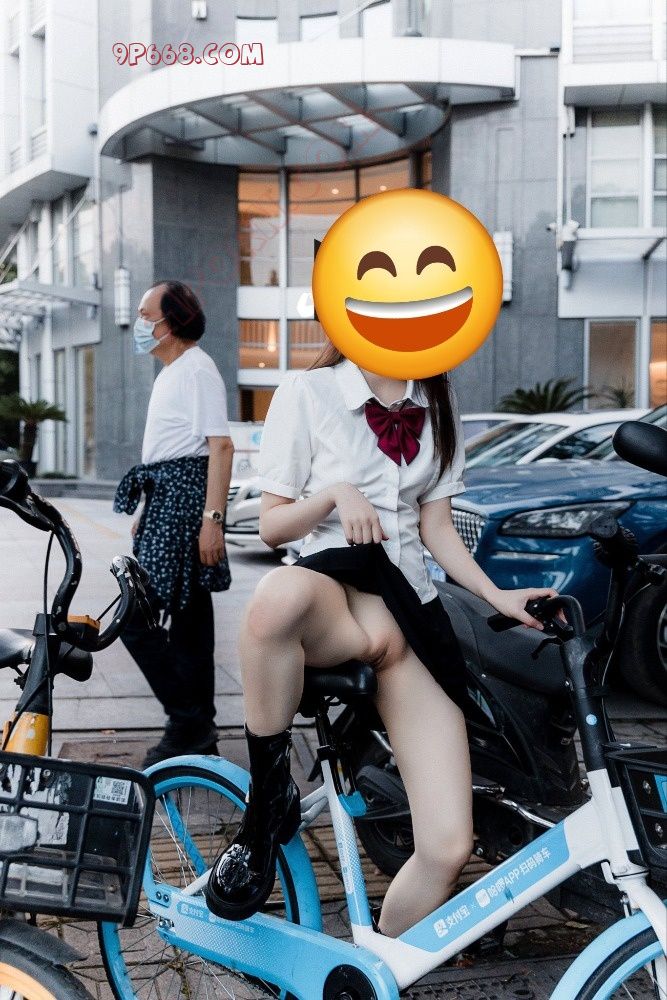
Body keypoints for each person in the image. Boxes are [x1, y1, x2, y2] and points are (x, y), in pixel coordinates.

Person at [204, 340, 559, 935]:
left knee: (448, 847)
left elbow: (437, 527)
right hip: (334, 597)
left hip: (411, 617)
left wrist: (496, 596)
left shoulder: (438, 397)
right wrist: (336, 495)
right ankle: (267, 802)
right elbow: (271, 526)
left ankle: (380, 963)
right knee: (276, 598)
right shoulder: (309, 391)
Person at [113, 281, 234, 768]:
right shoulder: (176, 371)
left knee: (135, 619)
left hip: (185, 505)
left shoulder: (197, 370)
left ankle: (188, 722)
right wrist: (149, 507)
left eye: (146, 315)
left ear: (172, 321)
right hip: (168, 500)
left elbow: (220, 446)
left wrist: (213, 521)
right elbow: (173, 448)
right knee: (189, 625)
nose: (140, 323)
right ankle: (197, 728)